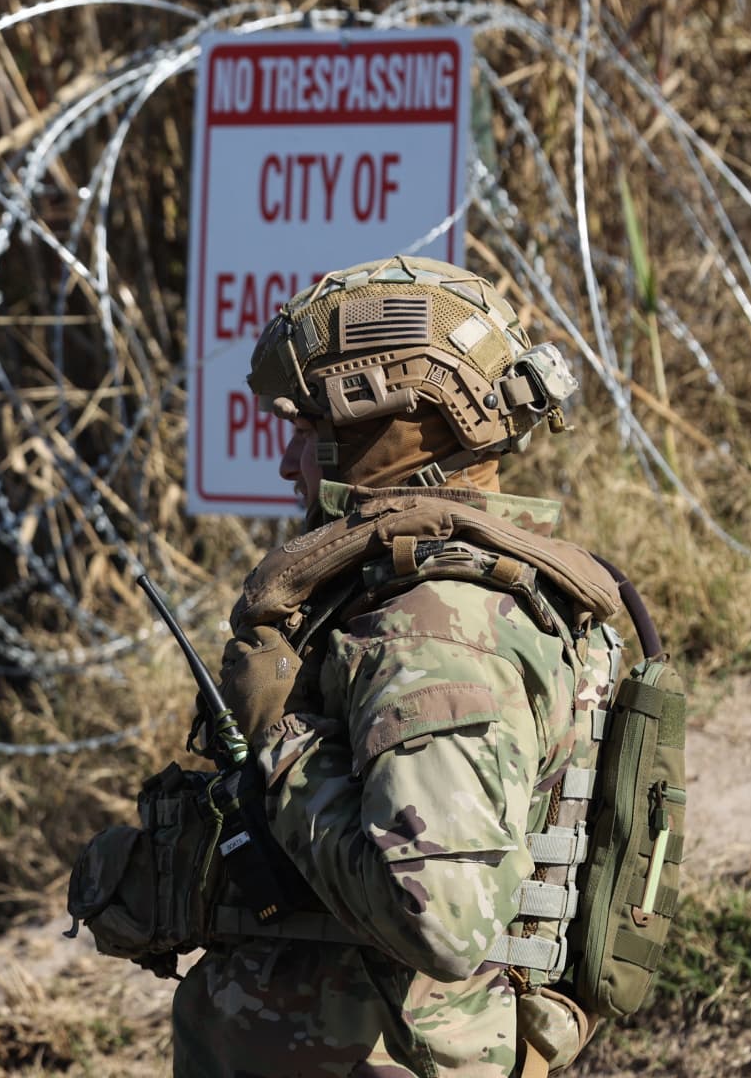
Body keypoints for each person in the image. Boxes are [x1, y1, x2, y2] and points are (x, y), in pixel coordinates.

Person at [170, 256, 622, 1077]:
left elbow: (441, 921)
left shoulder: (436, 627)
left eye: (306, 433)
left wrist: (281, 742)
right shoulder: (409, 598)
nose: (286, 464)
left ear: (378, 428)